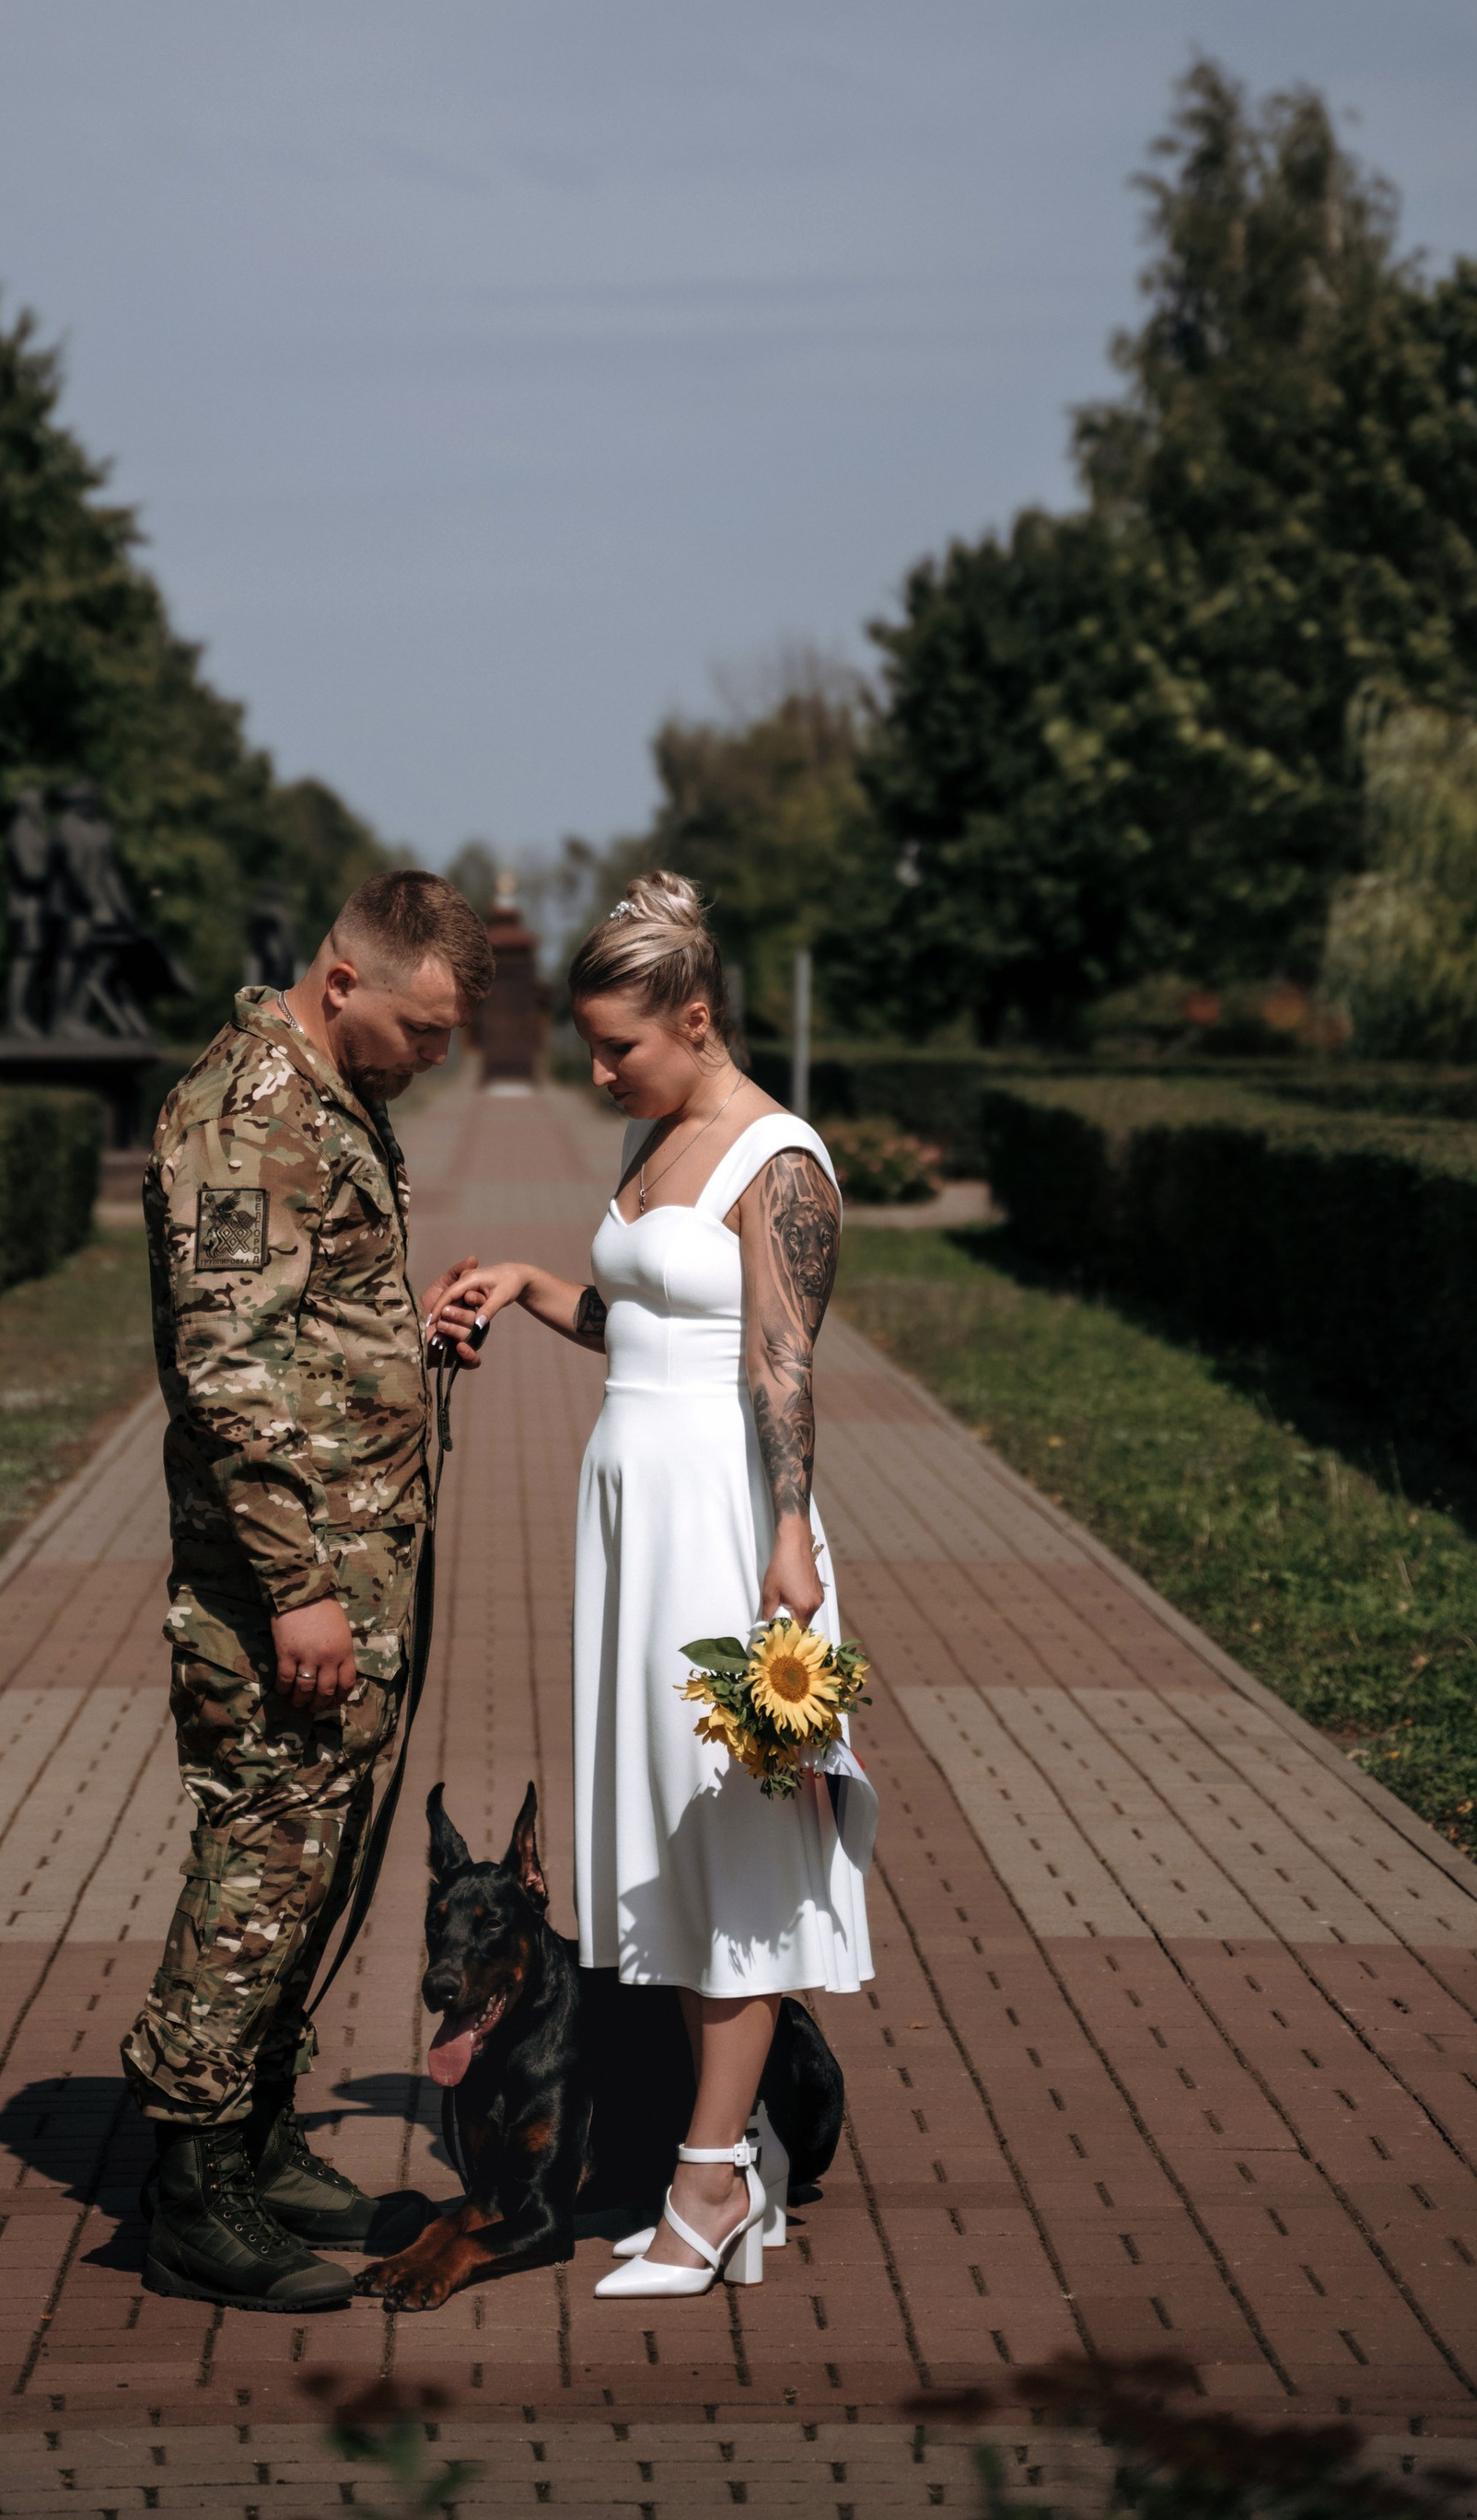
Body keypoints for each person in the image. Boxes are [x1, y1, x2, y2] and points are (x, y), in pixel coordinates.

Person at [424, 871, 871, 2301]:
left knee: (731, 1849)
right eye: (593, 1047)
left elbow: (780, 1367)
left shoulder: (778, 1160)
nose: (601, 1070)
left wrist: (788, 1544)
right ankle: (729, 2167)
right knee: (670, 1851)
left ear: (696, 1015)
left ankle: (710, 2187)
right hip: (630, 1518)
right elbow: (636, 1321)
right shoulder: (654, 1130)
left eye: (621, 1045)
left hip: (726, 1525)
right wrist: (523, 1281)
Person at [122, 869, 496, 2310]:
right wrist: (295, 1587)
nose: (437, 1059)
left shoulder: (336, 1099)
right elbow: (228, 1368)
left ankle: (263, 2133)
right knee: (262, 1863)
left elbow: (305, 1330)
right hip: (289, 1589)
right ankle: (191, 2187)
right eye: (425, 1027)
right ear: (343, 982)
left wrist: (412, 1338)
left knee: (316, 1863)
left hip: (350, 1567)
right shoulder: (250, 1116)